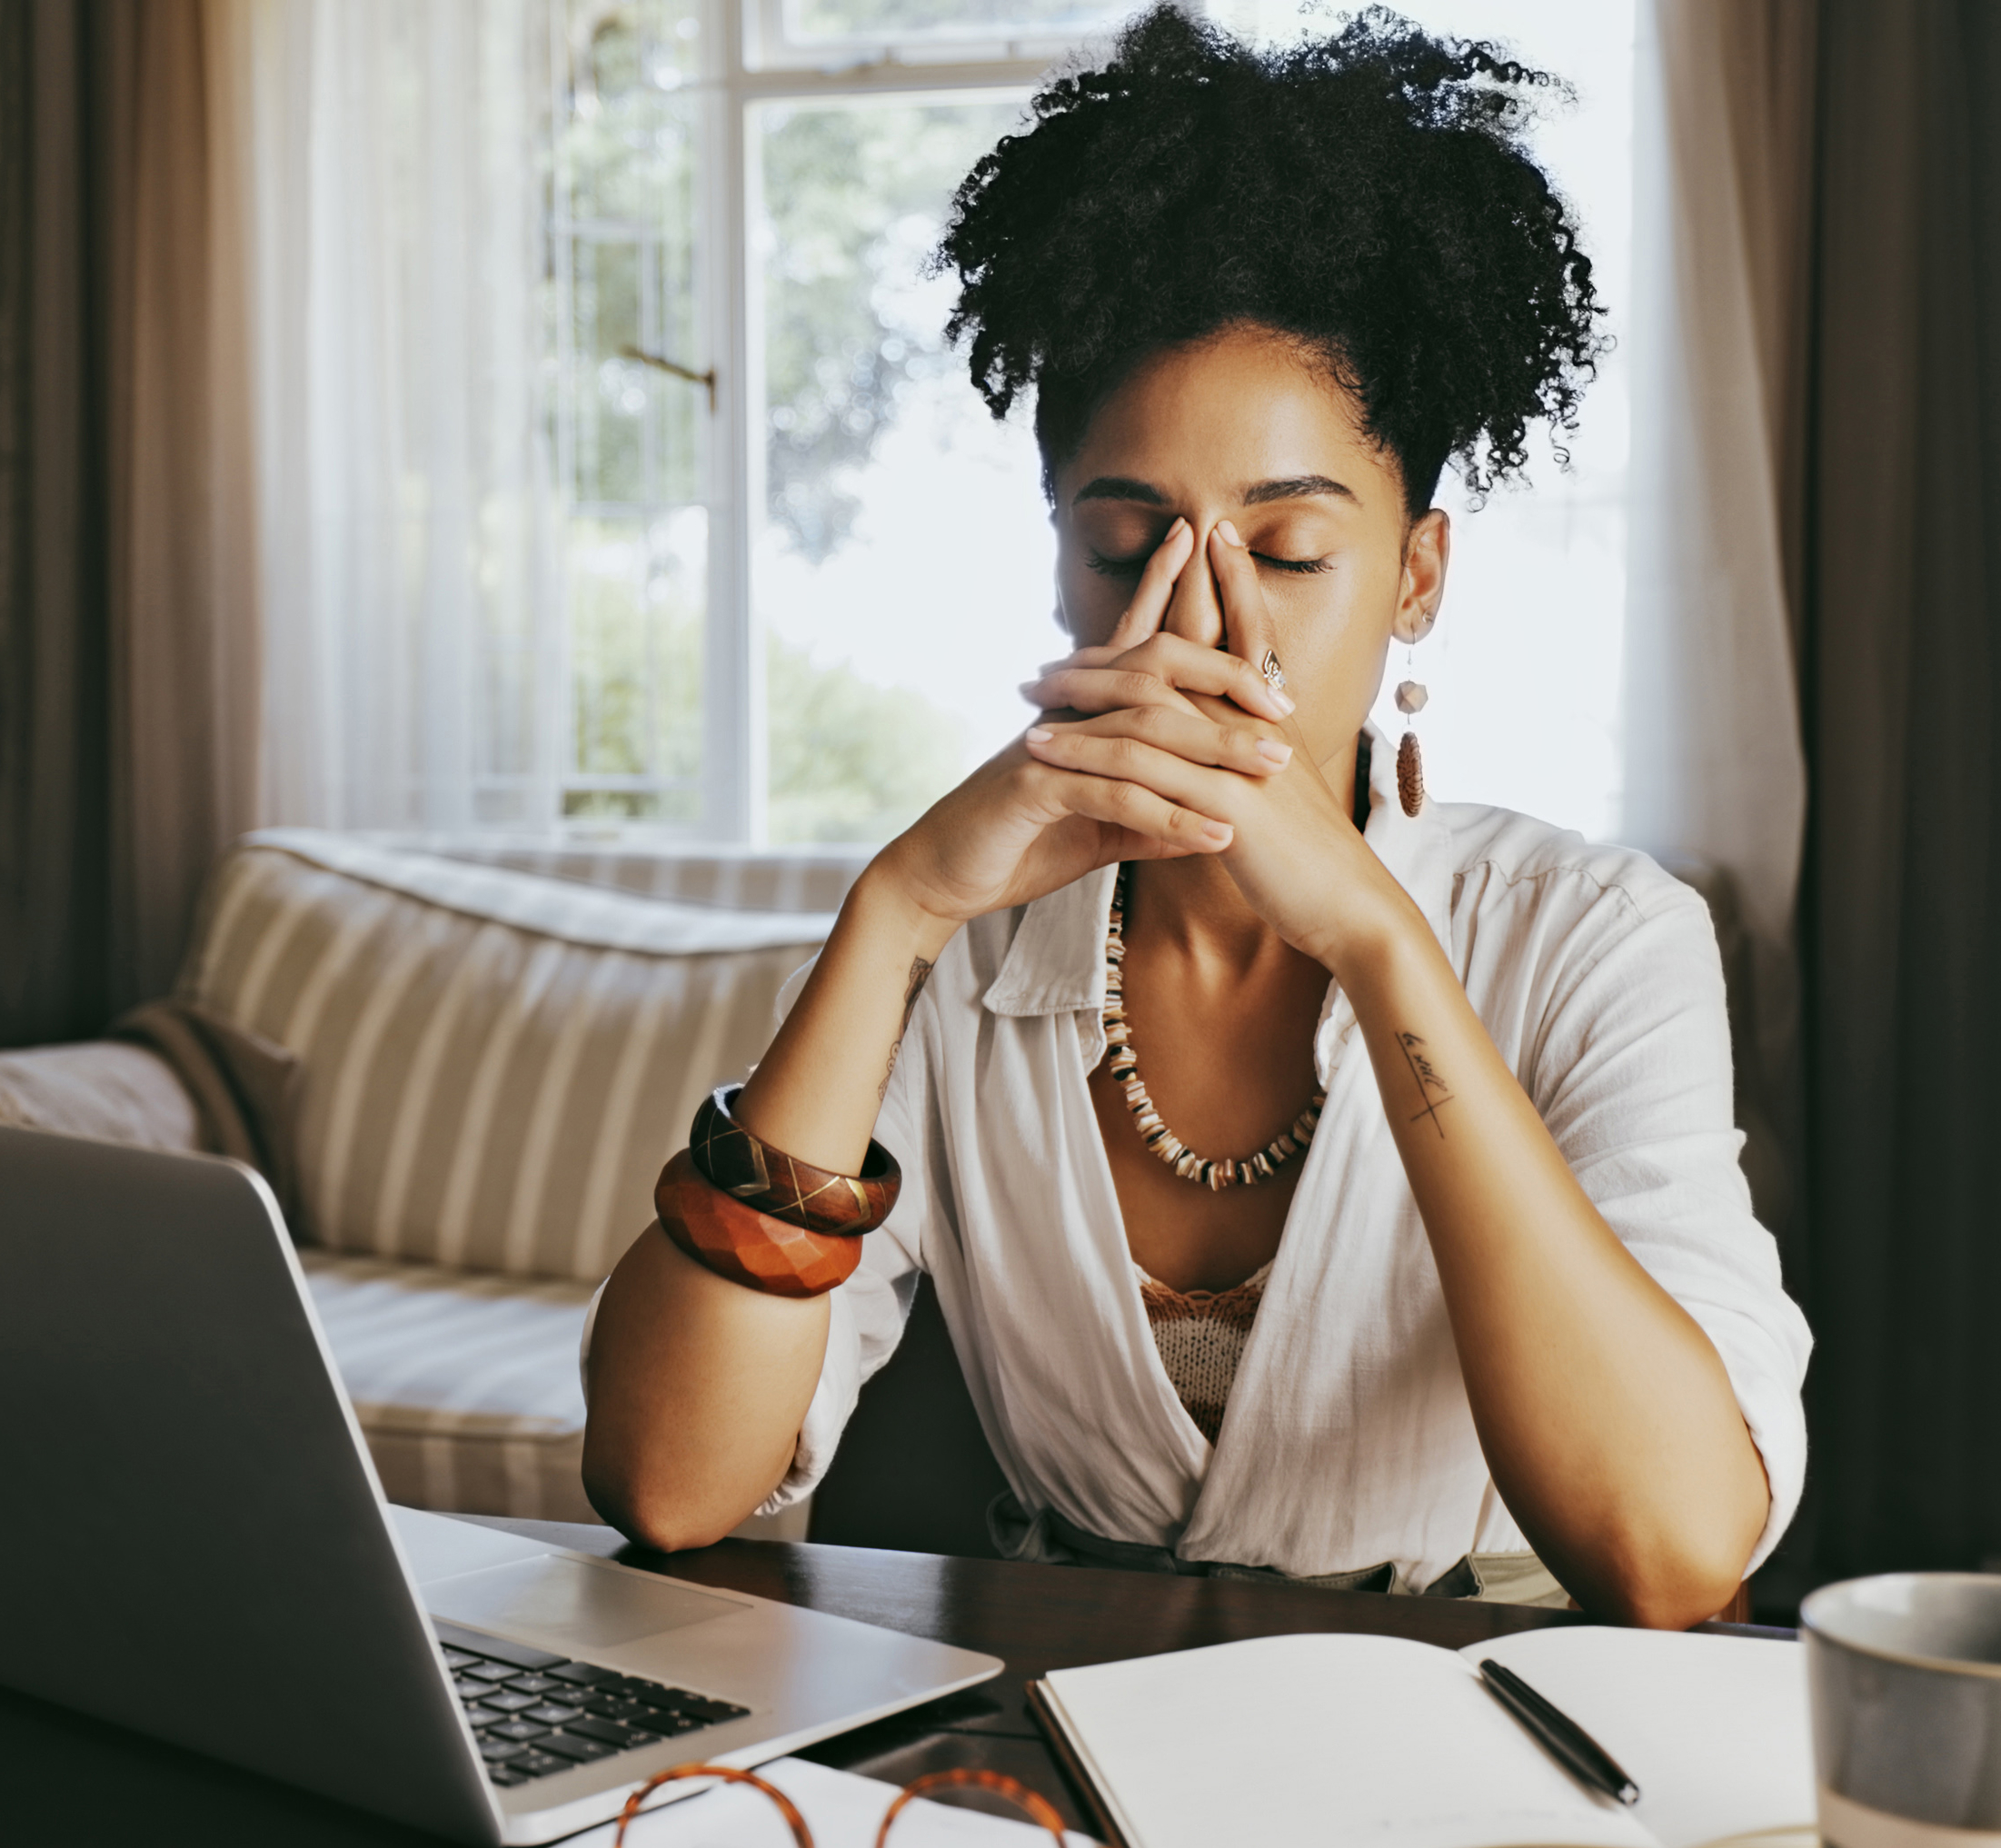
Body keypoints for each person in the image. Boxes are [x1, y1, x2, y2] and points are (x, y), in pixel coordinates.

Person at [582, 5, 1807, 1627]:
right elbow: (668, 1478)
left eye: (1289, 553)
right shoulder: (963, 945)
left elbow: (1671, 1549)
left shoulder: (1596, 938)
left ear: (1417, 578)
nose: (1204, 627)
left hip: (1477, 1739)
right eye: (1124, 544)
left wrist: (1377, 938)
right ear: (1057, 559)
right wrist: (888, 919)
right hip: (1061, 1730)